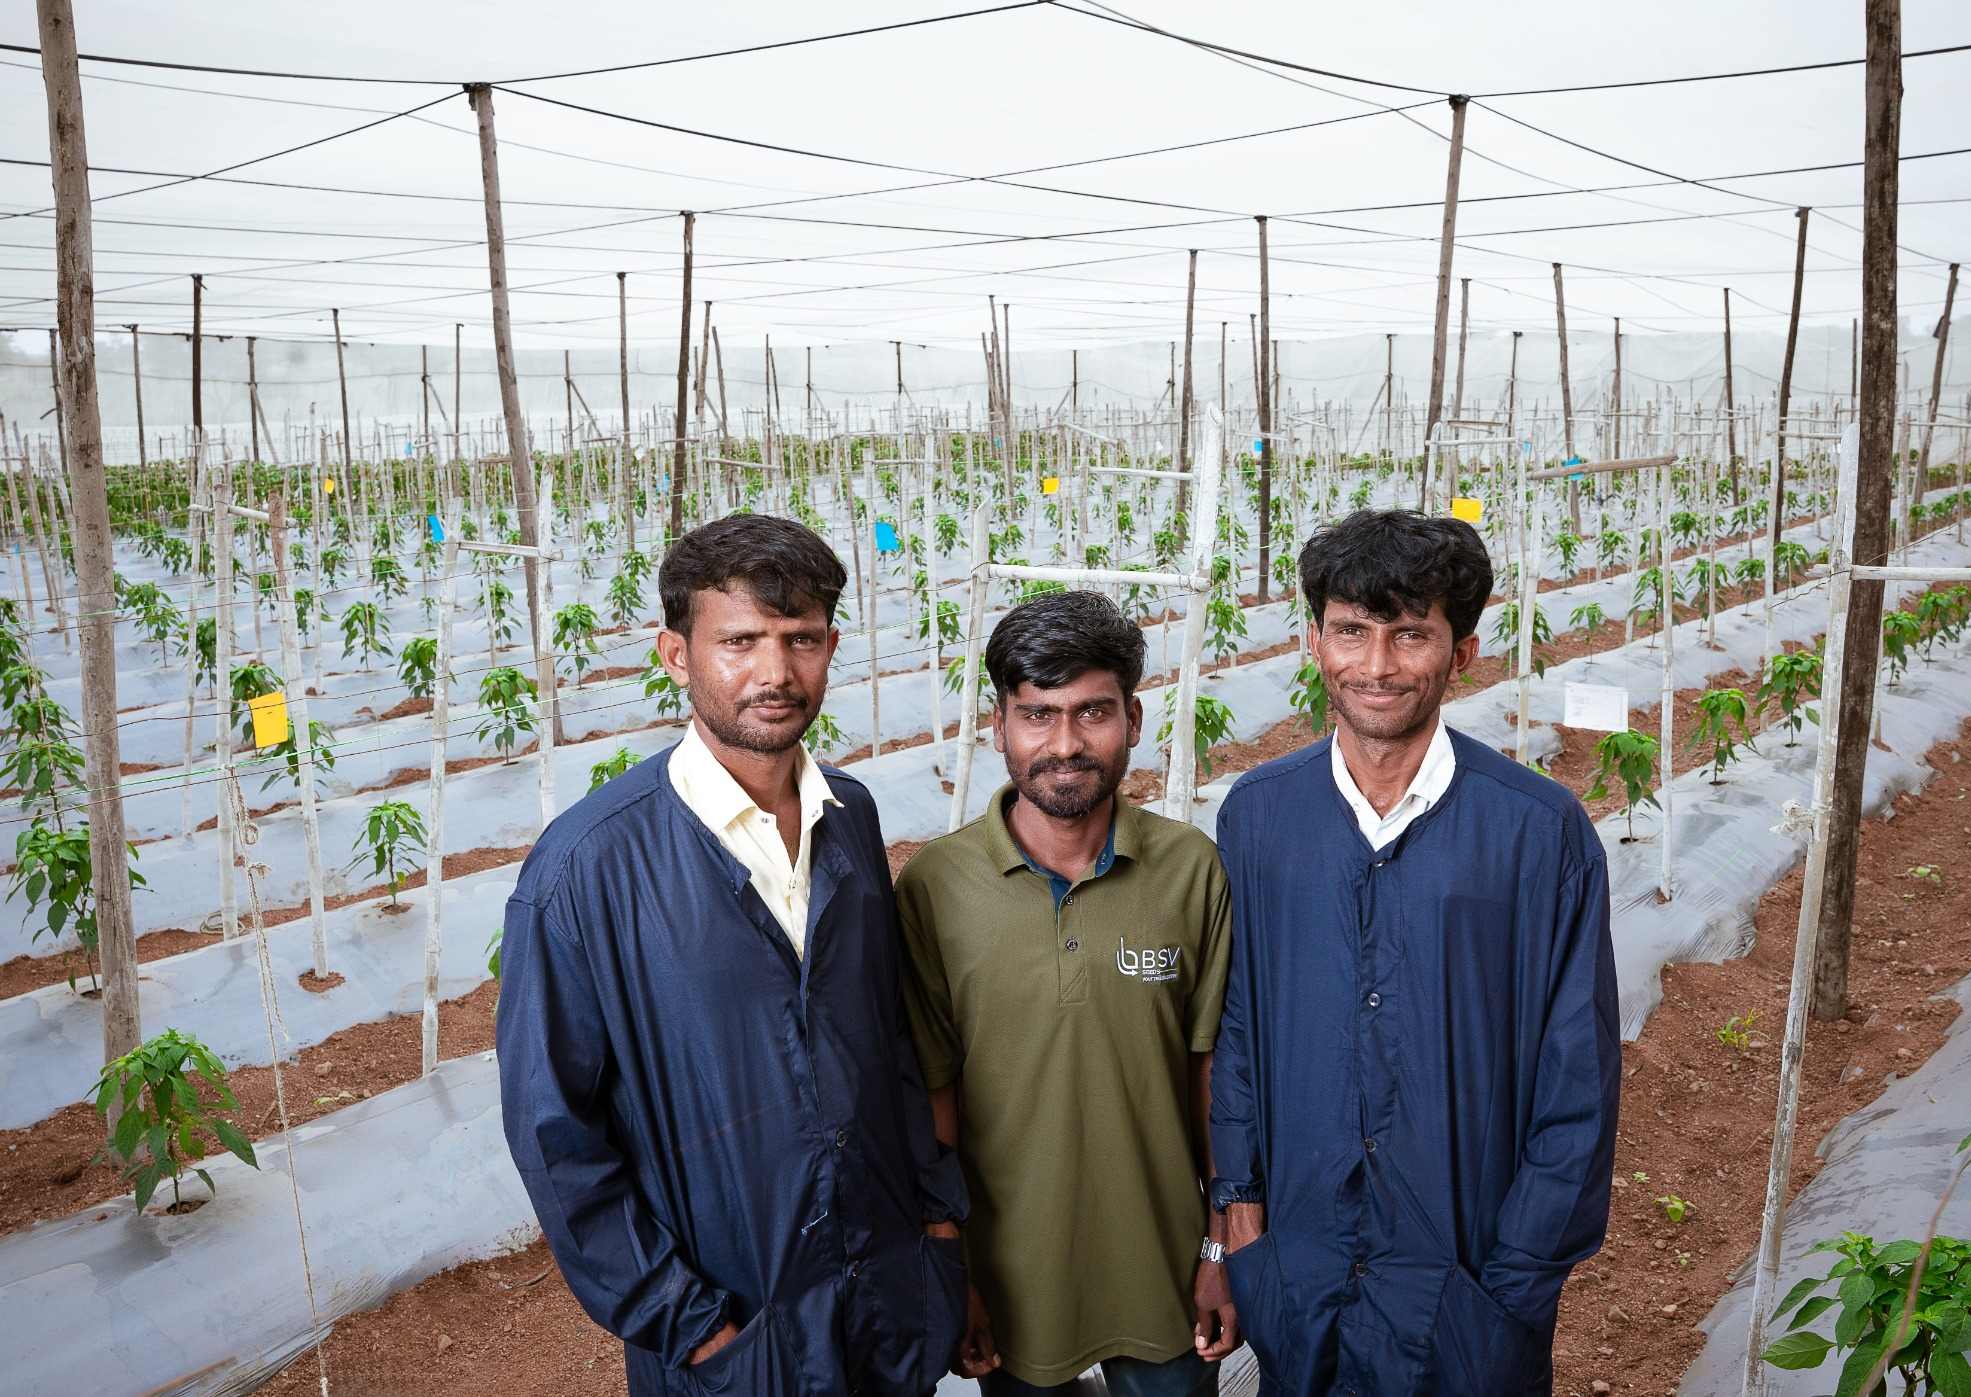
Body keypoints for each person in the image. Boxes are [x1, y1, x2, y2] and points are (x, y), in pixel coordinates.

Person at [497, 513, 968, 1396]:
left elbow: (888, 1040)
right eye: (740, 640)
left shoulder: (850, 817)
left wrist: (936, 1222)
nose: (775, 673)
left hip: (878, 1304)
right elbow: (554, 1129)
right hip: (734, 1334)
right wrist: (688, 1321)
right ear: (676, 654)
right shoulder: (588, 868)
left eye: (802, 639)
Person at [1208, 508, 1620, 1396]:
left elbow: (1576, 1078)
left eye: (1410, 635)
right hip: (1301, 1272)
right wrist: (1241, 1219)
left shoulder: (1535, 830)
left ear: (1461, 653)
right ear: (1313, 640)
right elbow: (1236, 1026)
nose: (1377, 666)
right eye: (1351, 631)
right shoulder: (1259, 815)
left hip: (1464, 1284)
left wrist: (1513, 1278)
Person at [895, 590, 1238, 1397]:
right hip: (1010, 1276)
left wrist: (1219, 1246)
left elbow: (1212, 1077)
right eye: (1037, 714)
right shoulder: (935, 887)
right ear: (998, 727)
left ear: (1134, 720)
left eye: (1092, 712)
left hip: (1163, 1263)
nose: (1064, 743)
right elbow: (934, 1093)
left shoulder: (1190, 869)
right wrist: (953, 1266)